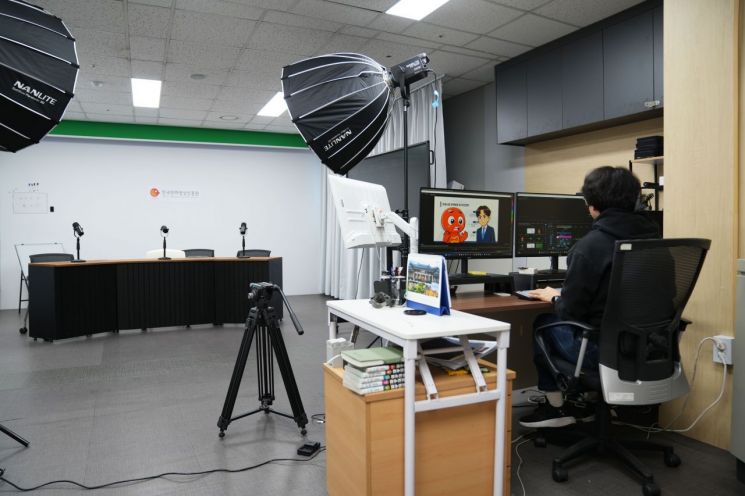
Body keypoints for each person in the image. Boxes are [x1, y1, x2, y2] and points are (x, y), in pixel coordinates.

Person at [519, 166, 660, 428]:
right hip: (649, 349)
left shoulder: (589, 247)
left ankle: (555, 408)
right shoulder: (656, 241)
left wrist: (554, 297)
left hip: (602, 352)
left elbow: (569, 312)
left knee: (543, 323)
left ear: (592, 205)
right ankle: (591, 404)